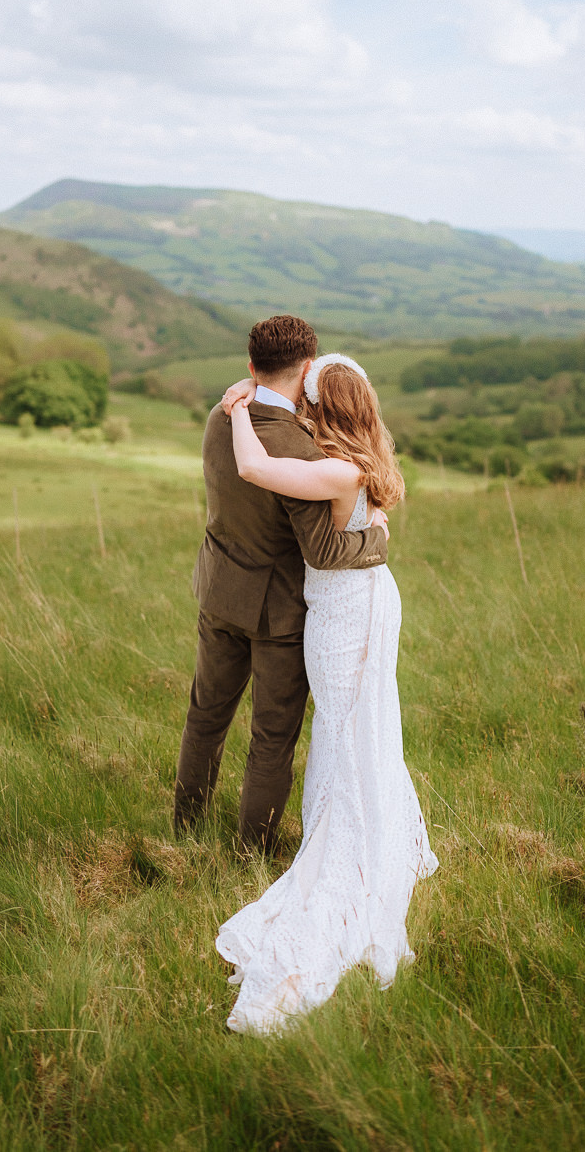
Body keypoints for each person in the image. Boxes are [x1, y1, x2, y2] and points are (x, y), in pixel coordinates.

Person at [213, 352, 438, 1034]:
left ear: (326, 409)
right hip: (361, 599)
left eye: (312, 402)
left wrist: (238, 411)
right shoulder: (365, 458)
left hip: (344, 612)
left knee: (343, 725)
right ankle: (366, 818)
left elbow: (253, 469)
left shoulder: (338, 469)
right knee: (358, 722)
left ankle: (349, 842)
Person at [174, 315, 390, 855]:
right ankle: (253, 854)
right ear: (309, 367)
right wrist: (378, 541)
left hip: (219, 590)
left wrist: (247, 390)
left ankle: (185, 829)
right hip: (279, 614)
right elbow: (323, 550)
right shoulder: (298, 448)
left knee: (205, 715)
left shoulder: (221, 418)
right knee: (271, 738)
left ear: (251, 367)